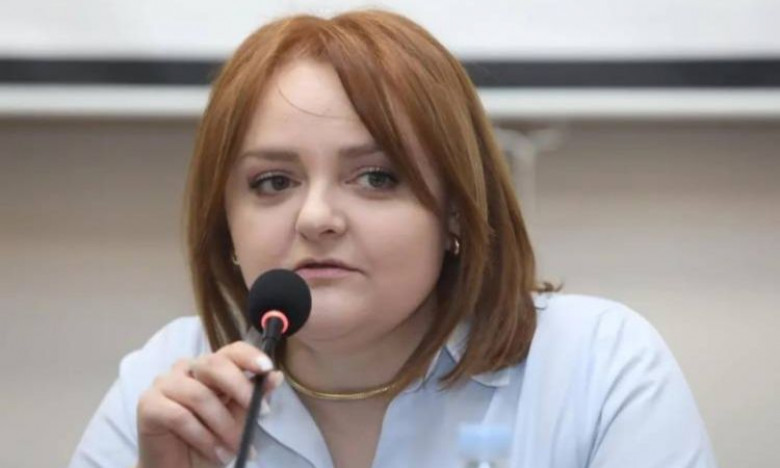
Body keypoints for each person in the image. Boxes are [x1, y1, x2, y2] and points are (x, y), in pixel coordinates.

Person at [69, 9, 718, 468]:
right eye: (273, 182)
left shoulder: (594, 366)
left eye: (377, 177)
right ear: (226, 226)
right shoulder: (168, 384)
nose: (315, 218)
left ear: (457, 213)